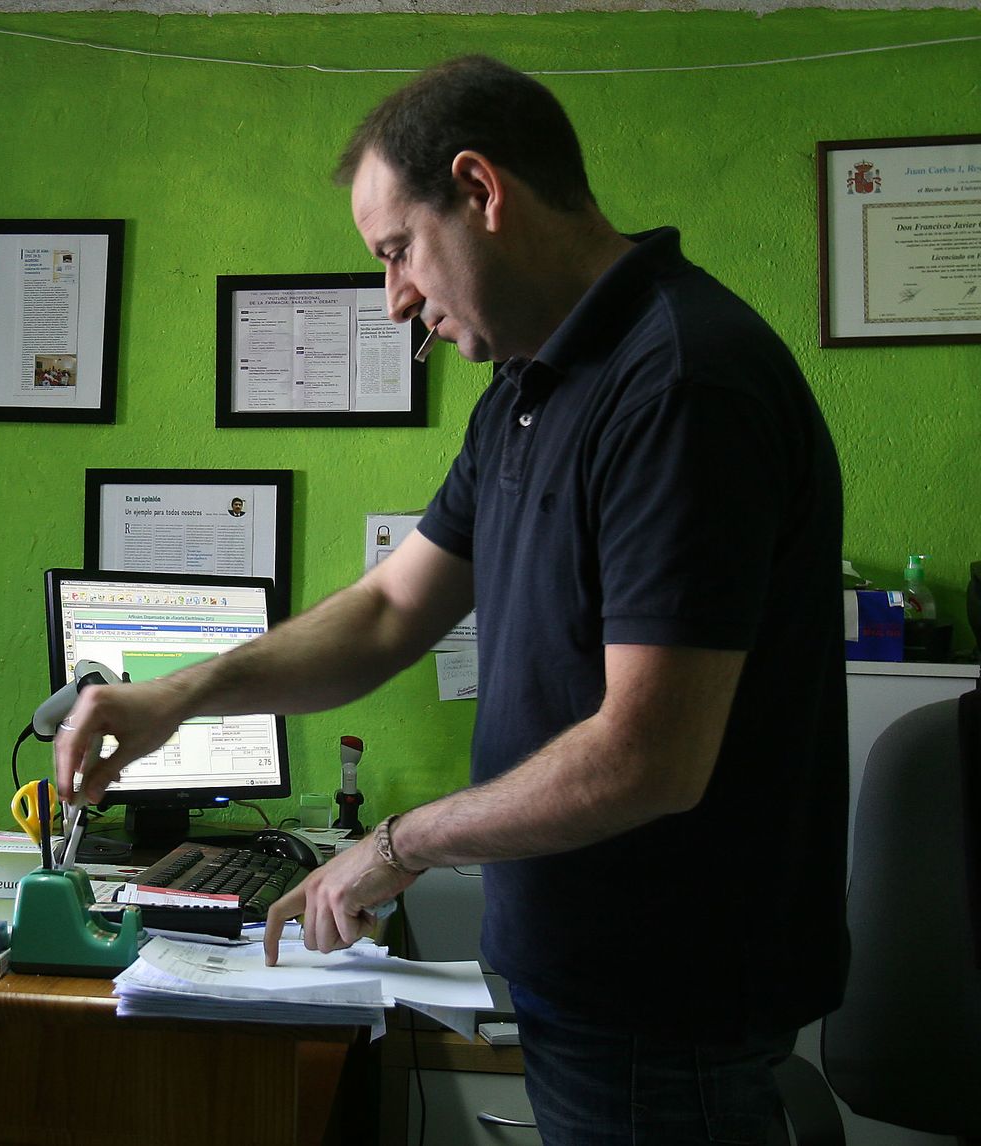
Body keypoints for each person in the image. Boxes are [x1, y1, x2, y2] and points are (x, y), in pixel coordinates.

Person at [57, 55, 847, 1145]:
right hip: (584, 978)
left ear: (480, 191)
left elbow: (648, 756)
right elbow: (389, 610)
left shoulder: (678, 385)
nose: (393, 302)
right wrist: (181, 694)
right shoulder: (528, 388)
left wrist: (395, 845)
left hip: (666, 996)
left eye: (395, 252)